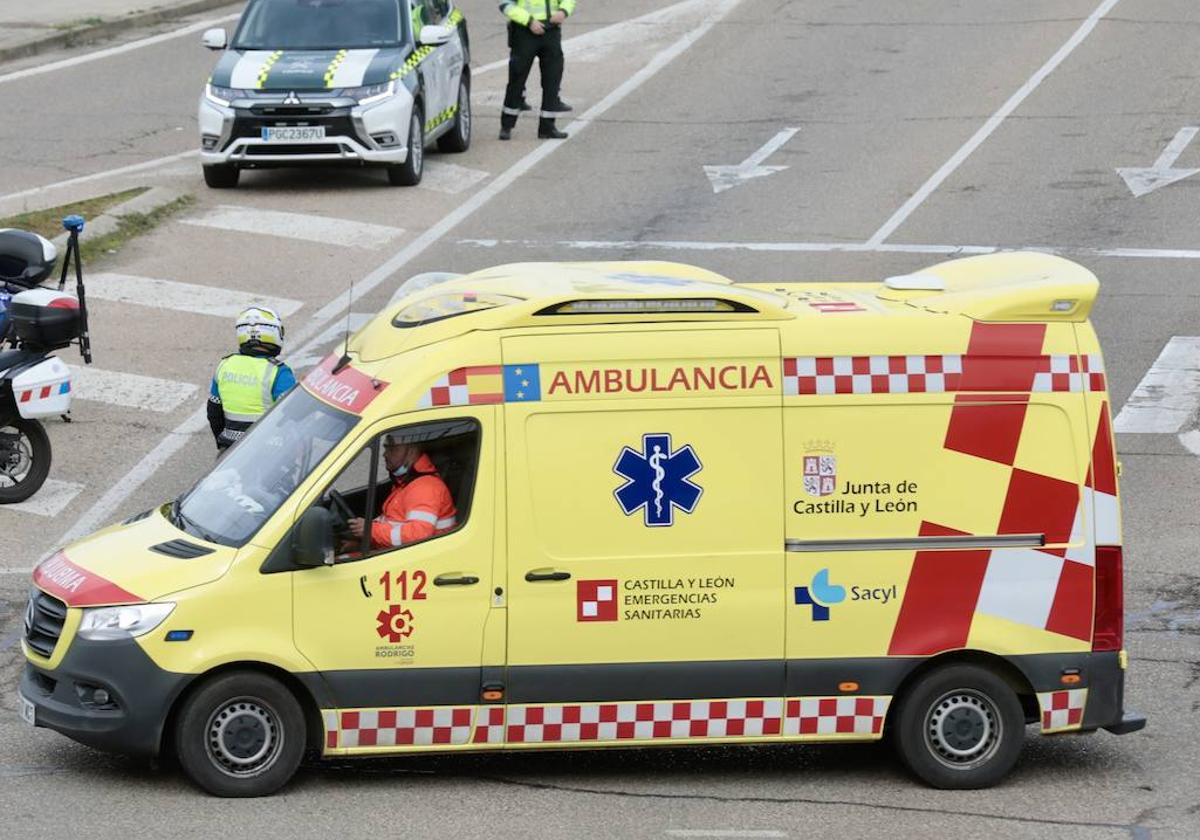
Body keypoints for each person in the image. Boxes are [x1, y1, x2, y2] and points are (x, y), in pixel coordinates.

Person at [207, 306, 295, 451]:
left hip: (230, 449)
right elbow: (294, 414)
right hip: (269, 450)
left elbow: (213, 411)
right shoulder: (279, 372)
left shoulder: (225, 365)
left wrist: (222, 443)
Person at [348, 435, 457, 549]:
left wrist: (371, 531)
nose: (385, 454)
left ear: (412, 451)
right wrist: (362, 543)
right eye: (386, 448)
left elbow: (417, 535)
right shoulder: (406, 482)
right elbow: (392, 524)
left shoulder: (425, 487)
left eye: (392, 449)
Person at [498, 0, 577, 141]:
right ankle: (507, 125)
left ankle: (547, 127)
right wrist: (529, 21)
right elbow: (505, 4)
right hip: (524, 31)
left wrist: (563, 11)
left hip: (551, 31)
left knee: (552, 80)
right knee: (517, 78)